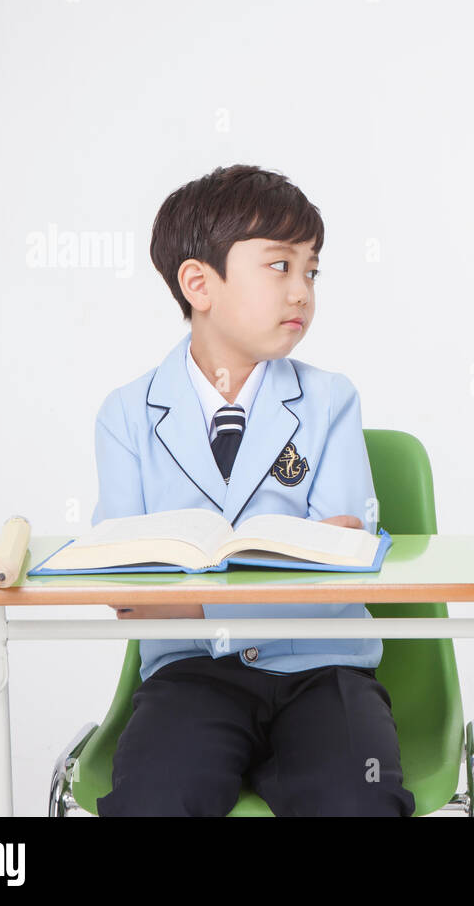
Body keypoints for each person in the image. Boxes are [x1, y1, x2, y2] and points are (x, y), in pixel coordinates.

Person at [91, 164, 415, 816]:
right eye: (279, 267)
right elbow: (126, 591)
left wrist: (198, 593)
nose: (302, 292)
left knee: (357, 798)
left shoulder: (330, 400)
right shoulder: (127, 415)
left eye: (311, 271)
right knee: (155, 800)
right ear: (198, 283)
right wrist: (280, 569)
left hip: (326, 671)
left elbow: (344, 566)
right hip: (189, 674)